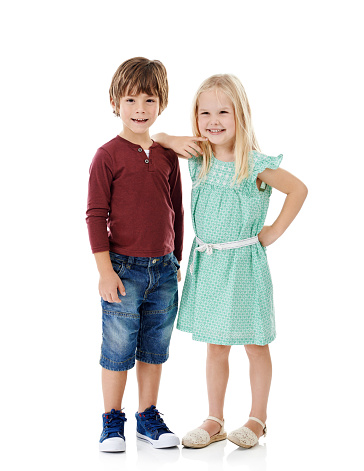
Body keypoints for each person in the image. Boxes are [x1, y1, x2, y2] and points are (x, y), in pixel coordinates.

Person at [153, 74, 307, 449]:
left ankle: (258, 418)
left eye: (223, 111)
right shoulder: (199, 157)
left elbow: (298, 189)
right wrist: (173, 139)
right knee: (216, 345)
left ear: (241, 115)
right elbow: (155, 137)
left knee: (255, 343)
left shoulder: (254, 164)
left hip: (244, 267)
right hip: (209, 265)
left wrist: (271, 232)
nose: (214, 119)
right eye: (205, 112)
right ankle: (215, 418)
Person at [86, 57, 183, 452]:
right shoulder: (107, 155)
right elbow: (95, 215)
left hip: (163, 271)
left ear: (161, 104)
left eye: (149, 100)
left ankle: (148, 416)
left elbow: (175, 207)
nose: (139, 109)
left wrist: (175, 258)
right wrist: (105, 271)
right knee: (117, 349)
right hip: (123, 270)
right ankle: (112, 420)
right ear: (114, 102)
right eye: (130, 100)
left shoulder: (166, 155)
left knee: (154, 347)